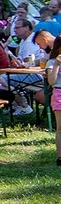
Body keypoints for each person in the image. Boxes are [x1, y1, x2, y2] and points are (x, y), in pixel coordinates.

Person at [44, 36, 61, 167]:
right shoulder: (52, 62)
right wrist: (56, 64)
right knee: (60, 128)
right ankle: (60, 157)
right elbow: (52, 81)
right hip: (59, 93)